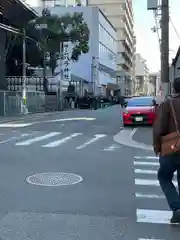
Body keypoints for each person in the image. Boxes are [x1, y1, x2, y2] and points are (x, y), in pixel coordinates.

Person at [153, 78, 180, 223]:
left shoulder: (167, 104)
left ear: (174, 89)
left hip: (170, 148)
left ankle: (176, 208)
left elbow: (159, 127)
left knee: (164, 177)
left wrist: (157, 147)